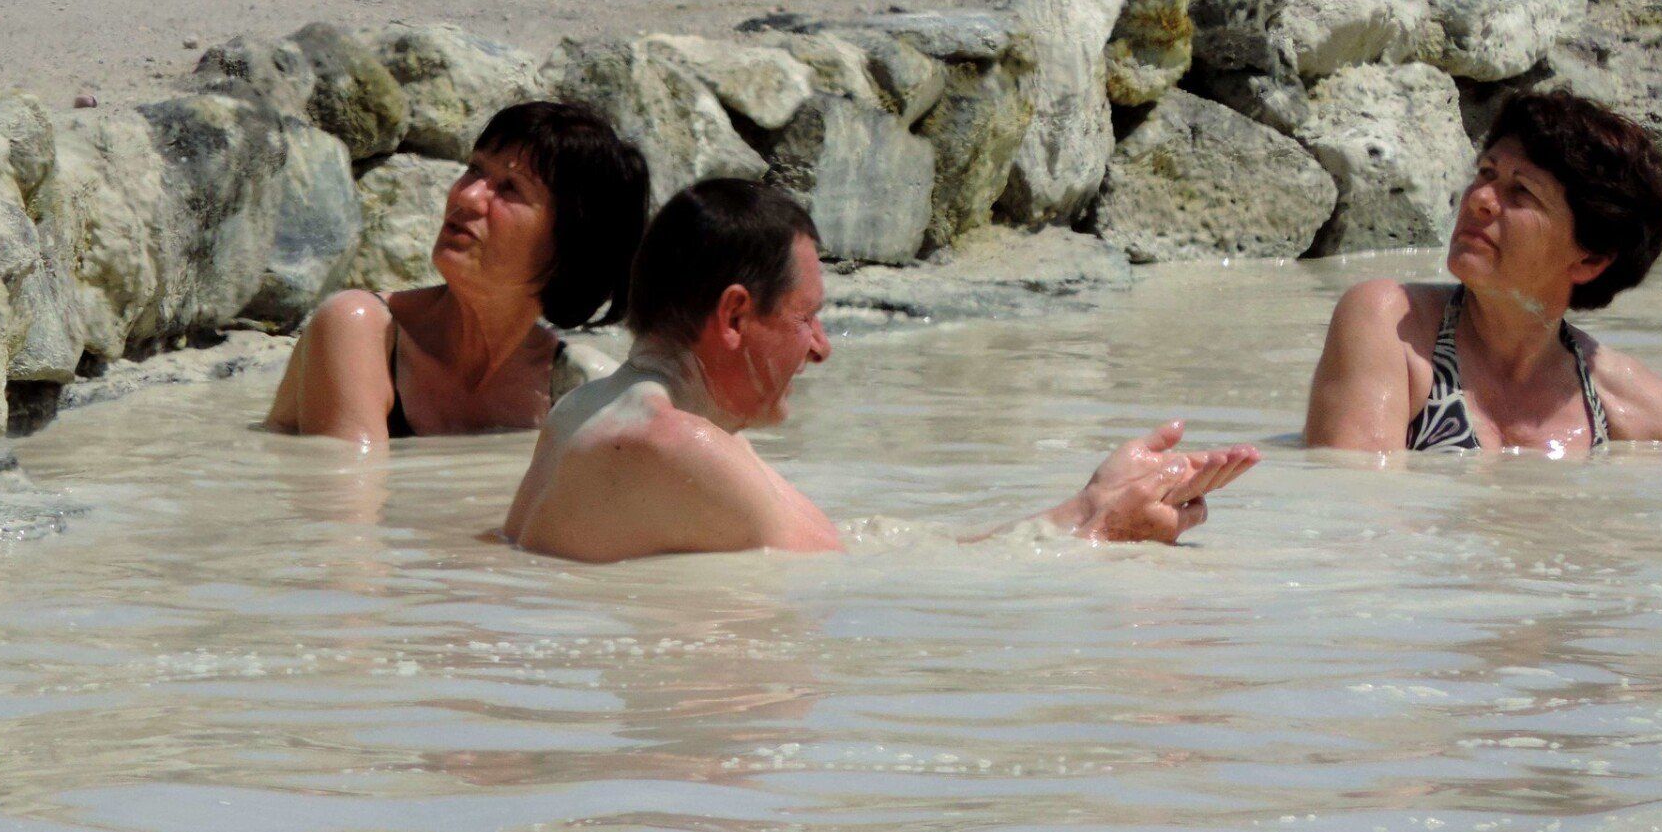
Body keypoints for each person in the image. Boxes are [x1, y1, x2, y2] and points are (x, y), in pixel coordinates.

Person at [502, 179, 1260, 562]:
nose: (822, 347)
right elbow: (864, 584)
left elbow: (869, 547)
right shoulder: (682, 446)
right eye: (805, 318)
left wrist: (1085, 508)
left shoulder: (580, 413)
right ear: (734, 317)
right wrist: (1106, 534)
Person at [1305, 91, 1662, 453]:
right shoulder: (1392, 324)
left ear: (1588, 261)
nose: (1480, 198)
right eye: (1486, 173)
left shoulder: (1616, 399)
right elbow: (1355, 486)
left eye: (1521, 191)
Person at [266, 101, 650, 442]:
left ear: (568, 244)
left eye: (510, 188)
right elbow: (345, 498)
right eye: (474, 169)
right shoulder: (358, 328)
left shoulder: (575, 386)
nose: (466, 196)